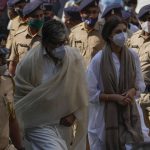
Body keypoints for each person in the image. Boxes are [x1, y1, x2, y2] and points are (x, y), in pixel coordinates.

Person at [14, 20, 88, 150]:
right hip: (38, 124)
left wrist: (74, 115)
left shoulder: (73, 57)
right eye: (56, 44)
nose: (61, 47)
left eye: (63, 43)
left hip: (63, 125)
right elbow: (21, 96)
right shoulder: (29, 63)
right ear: (45, 42)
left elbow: (82, 90)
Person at [87, 16, 144, 150]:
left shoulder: (132, 55)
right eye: (118, 32)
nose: (123, 35)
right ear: (109, 36)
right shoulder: (98, 60)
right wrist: (114, 98)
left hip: (130, 112)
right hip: (104, 118)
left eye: (124, 30)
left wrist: (132, 91)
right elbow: (89, 92)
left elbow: (139, 84)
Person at [128, 4, 150, 130]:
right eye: (144, 19)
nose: (148, 22)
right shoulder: (134, 38)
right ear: (140, 21)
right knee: (140, 135)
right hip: (135, 95)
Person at [8, 0, 43, 76]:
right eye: (35, 16)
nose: (40, 19)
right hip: (22, 82)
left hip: (42, 84)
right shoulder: (18, 36)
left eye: (41, 15)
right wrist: (12, 83)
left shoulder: (49, 36)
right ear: (25, 19)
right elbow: (13, 63)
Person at [0, 40, 24, 150]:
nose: (2, 62)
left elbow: (12, 119)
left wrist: (19, 147)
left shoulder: (7, 83)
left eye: (2, 58)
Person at [69, 0, 104, 67]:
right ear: (81, 13)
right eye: (87, 12)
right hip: (78, 74)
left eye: (94, 12)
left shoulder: (104, 31)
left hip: (96, 75)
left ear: (98, 13)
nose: (91, 15)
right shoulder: (74, 32)